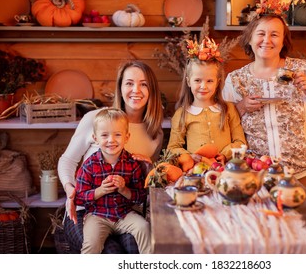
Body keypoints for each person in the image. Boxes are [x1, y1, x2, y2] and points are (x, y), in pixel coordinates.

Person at [222, 0, 306, 200]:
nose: (267, 40)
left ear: (283, 40)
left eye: (274, 34)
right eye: (260, 33)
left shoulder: (303, 69)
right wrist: (240, 107)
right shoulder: (236, 79)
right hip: (256, 174)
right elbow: (222, 124)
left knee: (305, 227)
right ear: (249, 38)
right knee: (265, 228)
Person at [58, 60, 164, 253]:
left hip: (126, 212)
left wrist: (150, 168)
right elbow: (67, 161)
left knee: (135, 250)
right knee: (111, 253)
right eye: (129, 83)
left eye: (144, 84)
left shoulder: (155, 134)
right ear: (120, 87)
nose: (136, 90)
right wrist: (70, 191)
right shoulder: (96, 119)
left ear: (152, 90)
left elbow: (145, 184)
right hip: (87, 211)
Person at [74, 108, 151, 254]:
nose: (111, 140)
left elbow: (141, 196)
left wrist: (124, 190)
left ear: (126, 137)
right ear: (95, 138)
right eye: (104, 135)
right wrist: (100, 191)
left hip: (125, 214)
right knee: (91, 244)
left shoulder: (132, 164)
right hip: (97, 215)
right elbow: (79, 198)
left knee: (144, 227)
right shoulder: (89, 165)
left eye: (117, 134)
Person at [167, 37, 247, 163]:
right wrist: (190, 156)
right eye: (197, 80)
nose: (203, 86)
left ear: (217, 82)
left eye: (209, 81)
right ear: (188, 81)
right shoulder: (182, 114)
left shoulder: (228, 109)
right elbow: (173, 148)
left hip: (224, 169)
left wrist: (226, 155)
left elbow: (240, 142)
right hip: (196, 170)